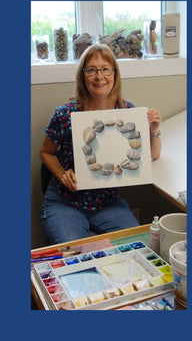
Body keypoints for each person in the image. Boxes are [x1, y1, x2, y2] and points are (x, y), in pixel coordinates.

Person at [39, 43, 162, 244]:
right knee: (76, 256)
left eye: (105, 69)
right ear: (82, 75)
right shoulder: (64, 114)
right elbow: (45, 152)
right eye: (92, 70)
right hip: (65, 202)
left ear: (114, 73)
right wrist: (62, 174)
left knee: (140, 247)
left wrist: (154, 130)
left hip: (108, 203)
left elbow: (154, 155)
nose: (99, 76)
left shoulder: (127, 110)